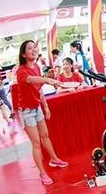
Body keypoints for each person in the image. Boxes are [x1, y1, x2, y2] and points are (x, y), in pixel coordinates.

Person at [15, 40, 68, 185]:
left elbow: (39, 90)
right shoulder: (21, 71)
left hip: (37, 107)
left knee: (45, 136)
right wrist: (47, 79)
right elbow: (31, 80)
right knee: (36, 143)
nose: (33, 50)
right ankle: (42, 173)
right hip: (26, 111)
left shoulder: (37, 67)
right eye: (29, 48)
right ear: (23, 54)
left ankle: (54, 159)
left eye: (34, 47)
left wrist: (45, 107)